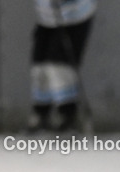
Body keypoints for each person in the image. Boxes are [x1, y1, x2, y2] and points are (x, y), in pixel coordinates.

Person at [29, 0, 97, 133]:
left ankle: (68, 117)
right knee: (39, 67)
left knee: (59, 66)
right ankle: (41, 115)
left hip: (73, 16)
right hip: (46, 17)